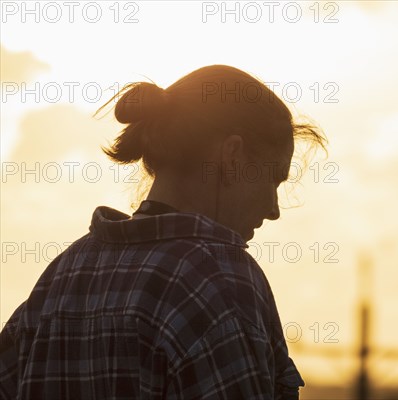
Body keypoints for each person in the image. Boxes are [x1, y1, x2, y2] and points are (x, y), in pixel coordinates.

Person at [0, 65, 327, 399]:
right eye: (273, 179)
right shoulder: (219, 279)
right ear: (232, 156)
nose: (273, 209)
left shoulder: (61, 276)